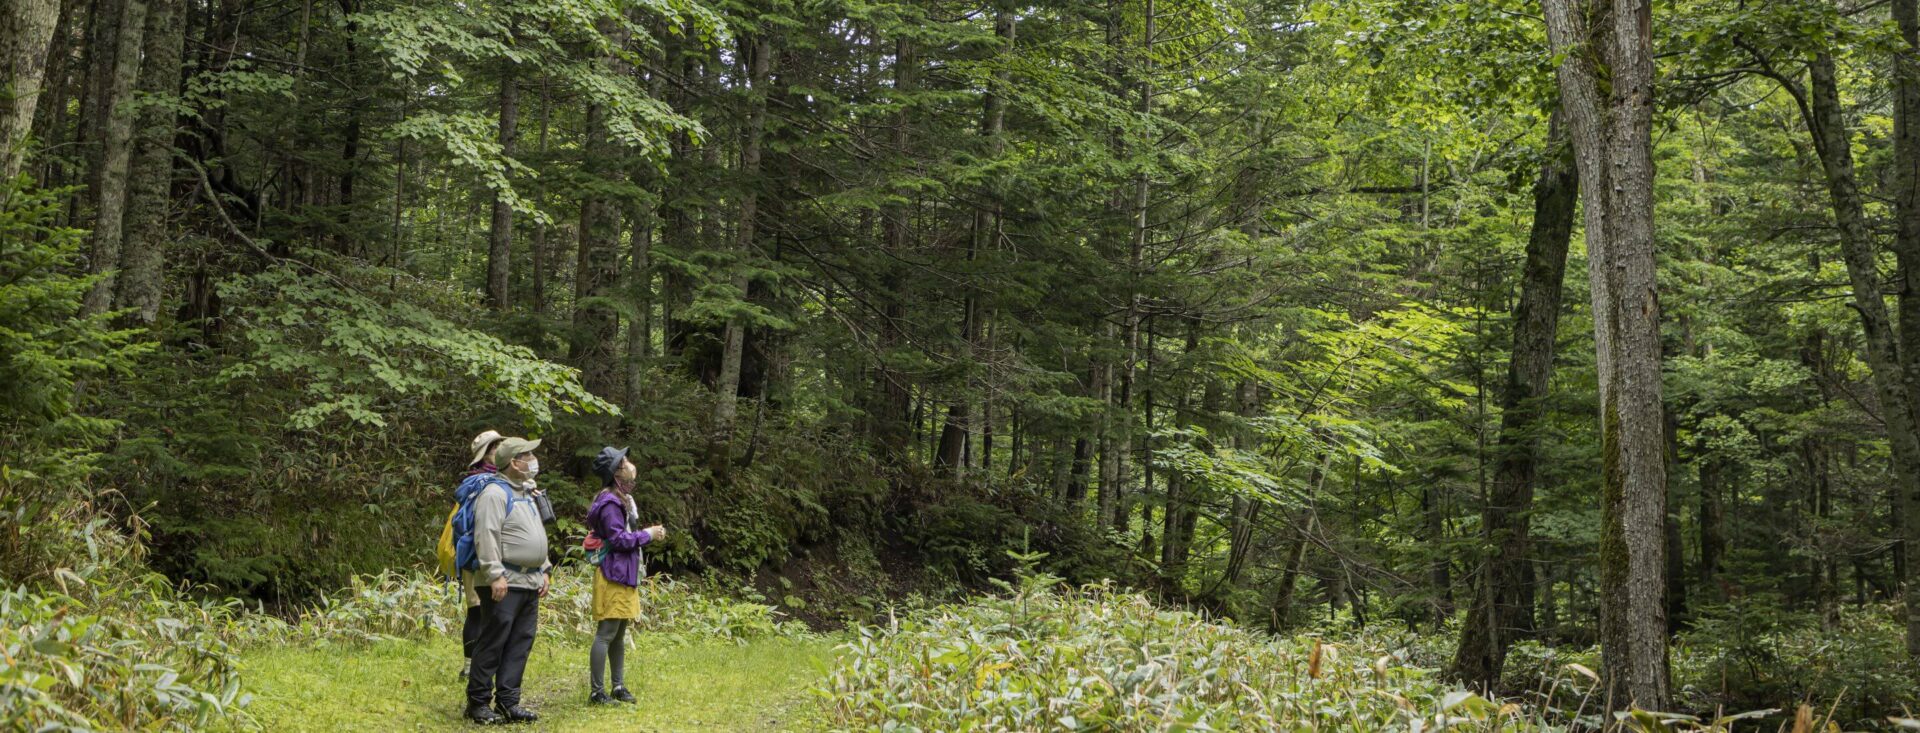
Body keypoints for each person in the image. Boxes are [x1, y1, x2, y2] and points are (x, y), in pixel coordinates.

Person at [464, 437, 549, 725]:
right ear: (514, 462)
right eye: (528, 455)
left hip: (528, 581)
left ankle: (508, 702)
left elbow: (536, 534)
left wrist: (545, 569)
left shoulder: (526, 492)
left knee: (520, 643)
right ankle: (478, 703)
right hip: (504, 582)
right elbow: (486, 535)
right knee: (493, 641)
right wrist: (494, 574)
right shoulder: (494, 493)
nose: (533, 460)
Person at [585, 446, 666, 705]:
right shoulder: (610, 503)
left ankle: (618, 686)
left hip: (624, 573)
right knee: (606, 633)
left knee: (619, 634)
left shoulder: (622, 499)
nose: (629, 464)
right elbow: (618, 540)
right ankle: (597, 692)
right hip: (613, 574)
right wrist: (648, 535)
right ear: (615, 473)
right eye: (623, 462)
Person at [459, 430, 504, 681]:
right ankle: (473, 666)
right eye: (494, 447)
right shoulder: (485, 483)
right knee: (478, 610)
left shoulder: (473, 481)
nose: (499, 451)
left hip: (471, 553)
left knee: (478, 609)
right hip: (481, 553)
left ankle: (472, 666)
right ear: (485, 454)